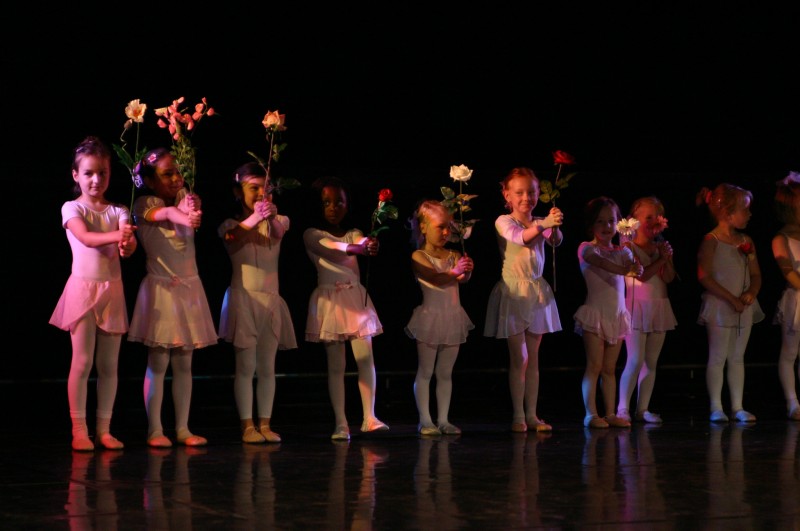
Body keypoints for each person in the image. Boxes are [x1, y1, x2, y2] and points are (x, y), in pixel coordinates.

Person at [50, 136, 137, 451]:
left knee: (109, 365)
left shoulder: (119, 210)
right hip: (83, 290)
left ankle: (104, 429)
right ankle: (79, 430)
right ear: (76, 175)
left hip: (111, 290)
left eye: (102, 173)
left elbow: (127, 246)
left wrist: (127, 245)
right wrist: (118, 236)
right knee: (83, 361)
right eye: (88, 173)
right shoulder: (71, 207)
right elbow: (86, 237)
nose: (96, 179)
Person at [127, 148, 219, 447]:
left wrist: (192, 206)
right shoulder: (144, 203)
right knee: (158, 362)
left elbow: (188, 206)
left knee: (184, 363)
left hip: (189, 289)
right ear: (150, 181)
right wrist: (186, 215)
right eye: (167, 174)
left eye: (178, 172)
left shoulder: (184, 197)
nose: (176, 178)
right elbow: (166, 214)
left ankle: (182, 428)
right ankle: (155, 430)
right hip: (161, 291)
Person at [303, 176, 389, 441]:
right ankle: (341, 422)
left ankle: (369, 417)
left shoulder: (353, 232)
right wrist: (356, 248)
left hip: (355, 300)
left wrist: (369, 244)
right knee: (336, 366)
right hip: (331, 303)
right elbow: (333, 249)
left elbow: (361, 241)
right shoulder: (312, 234)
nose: (333, 207)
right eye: (326, 202)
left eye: (338, 202)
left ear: (347, 204)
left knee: (365, 359)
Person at [218, 162, 297, 443]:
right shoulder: (230, 225)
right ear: (238, 192)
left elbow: (278, 232)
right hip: (244, 301)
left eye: (267, 188)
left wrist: (270, 217)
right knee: (245, 366)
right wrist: (255, 217)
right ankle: (247, 425)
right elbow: (232, 238)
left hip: (270, 301)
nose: (262, 193)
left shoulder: (280, 221)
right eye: (254, 188)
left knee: (267, 367)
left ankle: (265, 423)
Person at [484, 167, 563, 433]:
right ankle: (518, 414)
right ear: (507, 195)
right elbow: (521, 238)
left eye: (531, 192)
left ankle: (532, 414)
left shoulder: (539, 220)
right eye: (519, 193)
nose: (526, 197)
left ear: (539, 193)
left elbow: (556, 241)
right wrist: (544, 225)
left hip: (536, 291)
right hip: (514, 292)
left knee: (534, 359)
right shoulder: (504, 221)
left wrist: (553, 223)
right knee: (520, 357)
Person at [406, 200, 475, 436]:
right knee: (426, 371)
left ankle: (443, 420)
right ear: (424, 227)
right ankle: (425, 420)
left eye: (448, 227)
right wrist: (456, 271)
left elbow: (461, 280)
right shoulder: (419, 255)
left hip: (453, 318)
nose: (446, 232)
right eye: (440, 227)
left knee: (445, 373)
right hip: (430, 319)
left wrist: (467, 270)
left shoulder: (453, 254)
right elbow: (436, 278)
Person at [697, 183, 764, 423]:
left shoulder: (746, 240)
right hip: (720, 306)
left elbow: (756, 274)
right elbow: (704, 276)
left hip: (742, 307)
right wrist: (731, 299)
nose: (749, 214)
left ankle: (737, 407)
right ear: (727, 213)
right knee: (718, 357)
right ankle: (716, 407)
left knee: (737, 357)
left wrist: (751, 292)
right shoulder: (711, 240)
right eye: (745, 209)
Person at [574, 196, 643, 429]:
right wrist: (625, 268)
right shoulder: (586, 248)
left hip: (616, 315)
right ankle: (591, 414)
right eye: (600, 221)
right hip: (595, 314)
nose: (606, 226)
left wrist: (634, 262)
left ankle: (611, 413)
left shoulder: (622, 250)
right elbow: (602, 263)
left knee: (610, 369)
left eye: (611, 221)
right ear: (591, 224)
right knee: (594, 366)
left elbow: (636, 269)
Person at [616, 196, 678, 424]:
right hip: (636, 306)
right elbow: (641, 275)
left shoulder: (660, 246)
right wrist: (661, 260)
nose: (654, 222)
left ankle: (643, 409)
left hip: (659, 306)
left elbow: (668, 277)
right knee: (635, 359)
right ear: (634, 220)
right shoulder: (627, 246)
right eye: (648, 217)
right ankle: (622, 408)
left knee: (650, 362)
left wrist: (666, 258)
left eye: (657, 217)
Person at [772, 173, 800, 421]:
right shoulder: (781, 238)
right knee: (790, 352)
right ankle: (792, 402)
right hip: (796, 299)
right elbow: (788, 271)